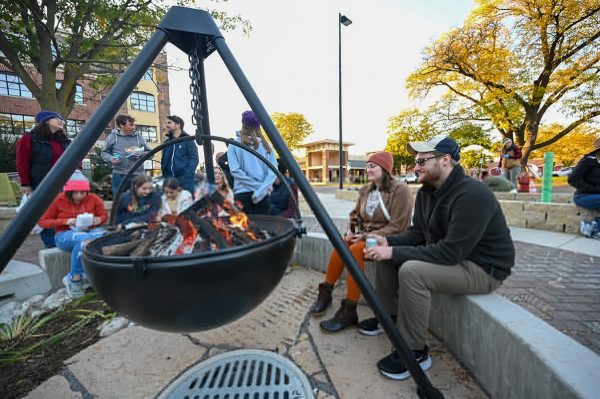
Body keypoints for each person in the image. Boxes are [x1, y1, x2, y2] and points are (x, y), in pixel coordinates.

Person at [363, 136, 514, 380]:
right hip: (456, 258)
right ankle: (390, 320)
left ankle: (415, 352)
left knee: (412, 271)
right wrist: (388, 242)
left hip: (483, 267)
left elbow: (450, 252)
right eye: (415, 162)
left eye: (422, 161)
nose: (416, 167)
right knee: (387, 257)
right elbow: (417, 234)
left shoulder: (472, 194)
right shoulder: (427, 193)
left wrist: (394, 251)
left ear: (445, 160)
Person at [309, 151, 414, 333]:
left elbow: (399, 225)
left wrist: (365, 237)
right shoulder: (366, 189)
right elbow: (356, 214)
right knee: (343, 243)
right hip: (365, 235)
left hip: (388, 239)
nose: (368, 169)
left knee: (356, 249)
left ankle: (350, 308)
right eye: (367, 165)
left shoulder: (400, 190)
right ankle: (326, 292)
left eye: (373, 166)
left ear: (385, 168)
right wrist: (352, 230)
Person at [38, 171, 108, 298]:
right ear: (68, 192)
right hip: (64, 235)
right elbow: (42, 222)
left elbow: (103, 215)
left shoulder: (93, 198)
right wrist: (65, 221)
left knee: (104, 237)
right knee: (84, 241)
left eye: (83, 192)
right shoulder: (58, 200)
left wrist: (99, 219)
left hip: (89, 231)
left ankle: (93, 274)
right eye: (76, 192)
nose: (80, 196)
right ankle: (74, 279)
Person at [16, 110, 71, 248]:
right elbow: (22, 161)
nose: (61, 121)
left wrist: (77, 172)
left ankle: (64, 240)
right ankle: (51, 244)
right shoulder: (30, 138)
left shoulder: (63, 140)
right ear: (45, 120)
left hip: (63, 183)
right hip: (41, 183)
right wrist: (25, 183)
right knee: (46, 214)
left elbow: (74, 158)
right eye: (57, 118)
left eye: (62, 119)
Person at [227, 110, 277, 214]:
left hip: (242, 193)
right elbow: (273, 172)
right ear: (259, 126)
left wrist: (256, 187)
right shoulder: (267, 146)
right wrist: (260, 189)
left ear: (243, 124)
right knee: (265, 228)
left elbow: (235, 171)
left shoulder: (234, 145)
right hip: (263, 195)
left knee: (244, 229)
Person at [101, 114, 150, 198]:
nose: (134, 127)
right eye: (131, 125)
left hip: (138, 174)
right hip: (119, 174)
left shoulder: (139, 137)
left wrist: (141, 155)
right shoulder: (112, 137)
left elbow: (150, 152)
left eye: (134, 124)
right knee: (118, 199)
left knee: (139, 198)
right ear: (121, 125)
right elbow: (104, 153)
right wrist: (110, 158)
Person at [161, 115, 199, 196]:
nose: (167, 125)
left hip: (184, 179)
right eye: (166, 123)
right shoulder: (166, 143)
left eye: (169, 123)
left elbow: (194, 158)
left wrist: (187, 174)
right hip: (169, 179)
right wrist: (165, 175)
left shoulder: (188, 140)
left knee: (187, 204)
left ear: (178, 125)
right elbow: (164, 160)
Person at [568, 138, 600, 212]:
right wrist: (594, 190)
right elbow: (573, 179)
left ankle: (595, 223)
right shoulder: (587, 160)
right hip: (585, 196)